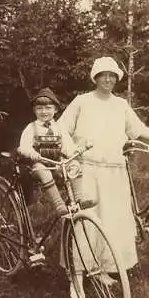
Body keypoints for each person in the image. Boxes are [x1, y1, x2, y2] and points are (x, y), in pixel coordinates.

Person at [57, 56, 149, 298]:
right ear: (95, 77)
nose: (108, 79)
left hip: (114, 171)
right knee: (85, 223)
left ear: (117, 79)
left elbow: (139, 130)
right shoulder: (82, 101)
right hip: (86, 170)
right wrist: (73, 153)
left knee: (112, 221)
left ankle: (102, 269)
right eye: (103, 74)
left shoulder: (120, 105)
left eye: (112, 75)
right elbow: (61, 129)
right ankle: (77, 278)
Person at [18, 87, 95, 217]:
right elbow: (23, 147)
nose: (44, 112)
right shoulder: (31, 128)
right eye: (39, 108)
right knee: (43, 171)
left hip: (56, 163)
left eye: (48, 108)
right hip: (37, 166)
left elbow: (68, 146)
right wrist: (32, 153)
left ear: (55, 109)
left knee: (74, 164)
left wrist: (75, 152)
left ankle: (80, 197)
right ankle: (58, 204)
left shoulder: (59, 128)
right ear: (34, 110)